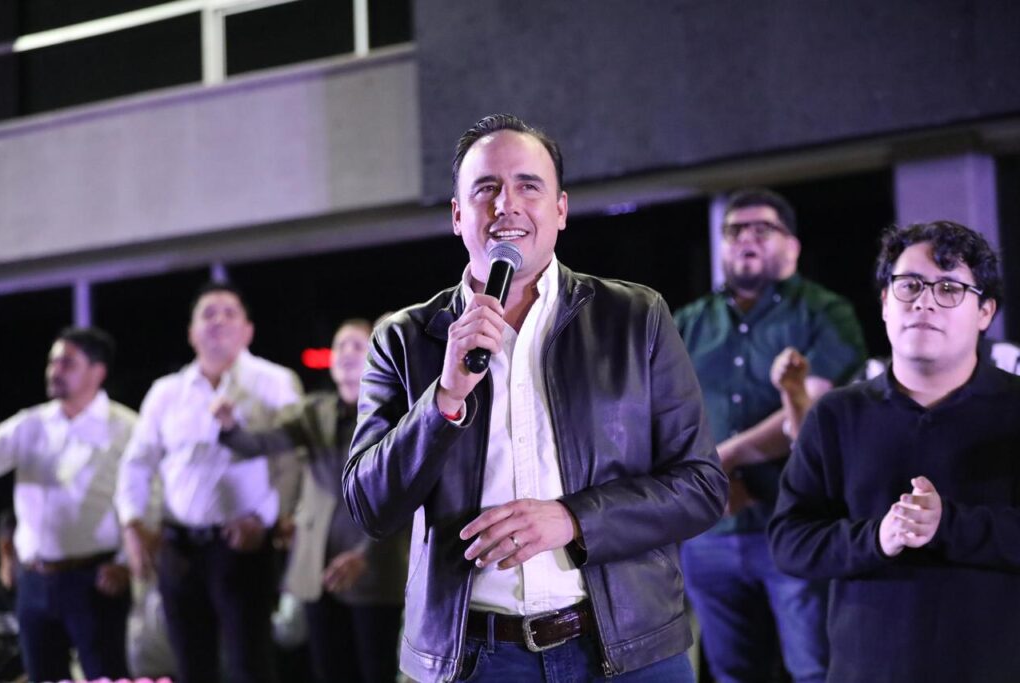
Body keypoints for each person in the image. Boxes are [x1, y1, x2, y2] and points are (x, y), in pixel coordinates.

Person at [343, 113, 727, 683]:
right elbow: (371, 507)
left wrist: (573, 520)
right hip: (477, 660)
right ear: (457, 215)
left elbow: (701, 486)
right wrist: (444, 397)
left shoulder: (634, 317)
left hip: (632, 651)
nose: (507, 205)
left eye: (528, 186)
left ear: (560, 209)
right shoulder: (403, 339)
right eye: (486, 189)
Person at [769, 220, 1020, 682]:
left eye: (949, 288)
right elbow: (790, 541)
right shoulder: (836, 414)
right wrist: (877, 538)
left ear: (985, 312)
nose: (925, 301)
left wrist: (947, 525)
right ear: (885, 301)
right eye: (909, 285)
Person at [673, 189, 866, 683]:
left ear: (792, 247)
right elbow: (663, 416)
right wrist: (705, 476)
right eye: (735, 230)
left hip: (794, 525)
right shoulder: (688, 322)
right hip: (711, 534)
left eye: (762, 229)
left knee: (816, 669)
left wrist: (723, 459)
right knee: (733, 674)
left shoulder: (825, 312)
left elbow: (814, 413)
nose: (747, 239)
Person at [116, 282, 303, 683]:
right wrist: (132, 523)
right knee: (190, 666)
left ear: (248, 330)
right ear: (191, 332)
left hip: (243, 544)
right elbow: (137, 462)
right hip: (178, 547)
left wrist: (264, 519)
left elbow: (290, 461)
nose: (218, 320)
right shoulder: (166, 392)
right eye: (207, 314)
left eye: (229, 313)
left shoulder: (274, 382)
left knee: (249, 666)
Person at [213, 319, 408, 683]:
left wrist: (366, 554)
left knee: (376, 670)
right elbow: (261, 444)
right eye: (340, 346)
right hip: (317, 563)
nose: (347, 353)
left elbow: (405, 496)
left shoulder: (397, 413)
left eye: (357, 345)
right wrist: (229, 427)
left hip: (374, 568)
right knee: (328, 670)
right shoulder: (315, 410)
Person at [0, 327, 136, 682]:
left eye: (67, 363)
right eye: (52, 362)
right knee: (42, 676)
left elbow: (146, 500)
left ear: (97, 371)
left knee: (105, 676)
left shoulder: (125, 428)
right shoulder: (31, 424)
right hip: (34, 580)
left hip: (96, 579)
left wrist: (125, 563)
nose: (54, 371)